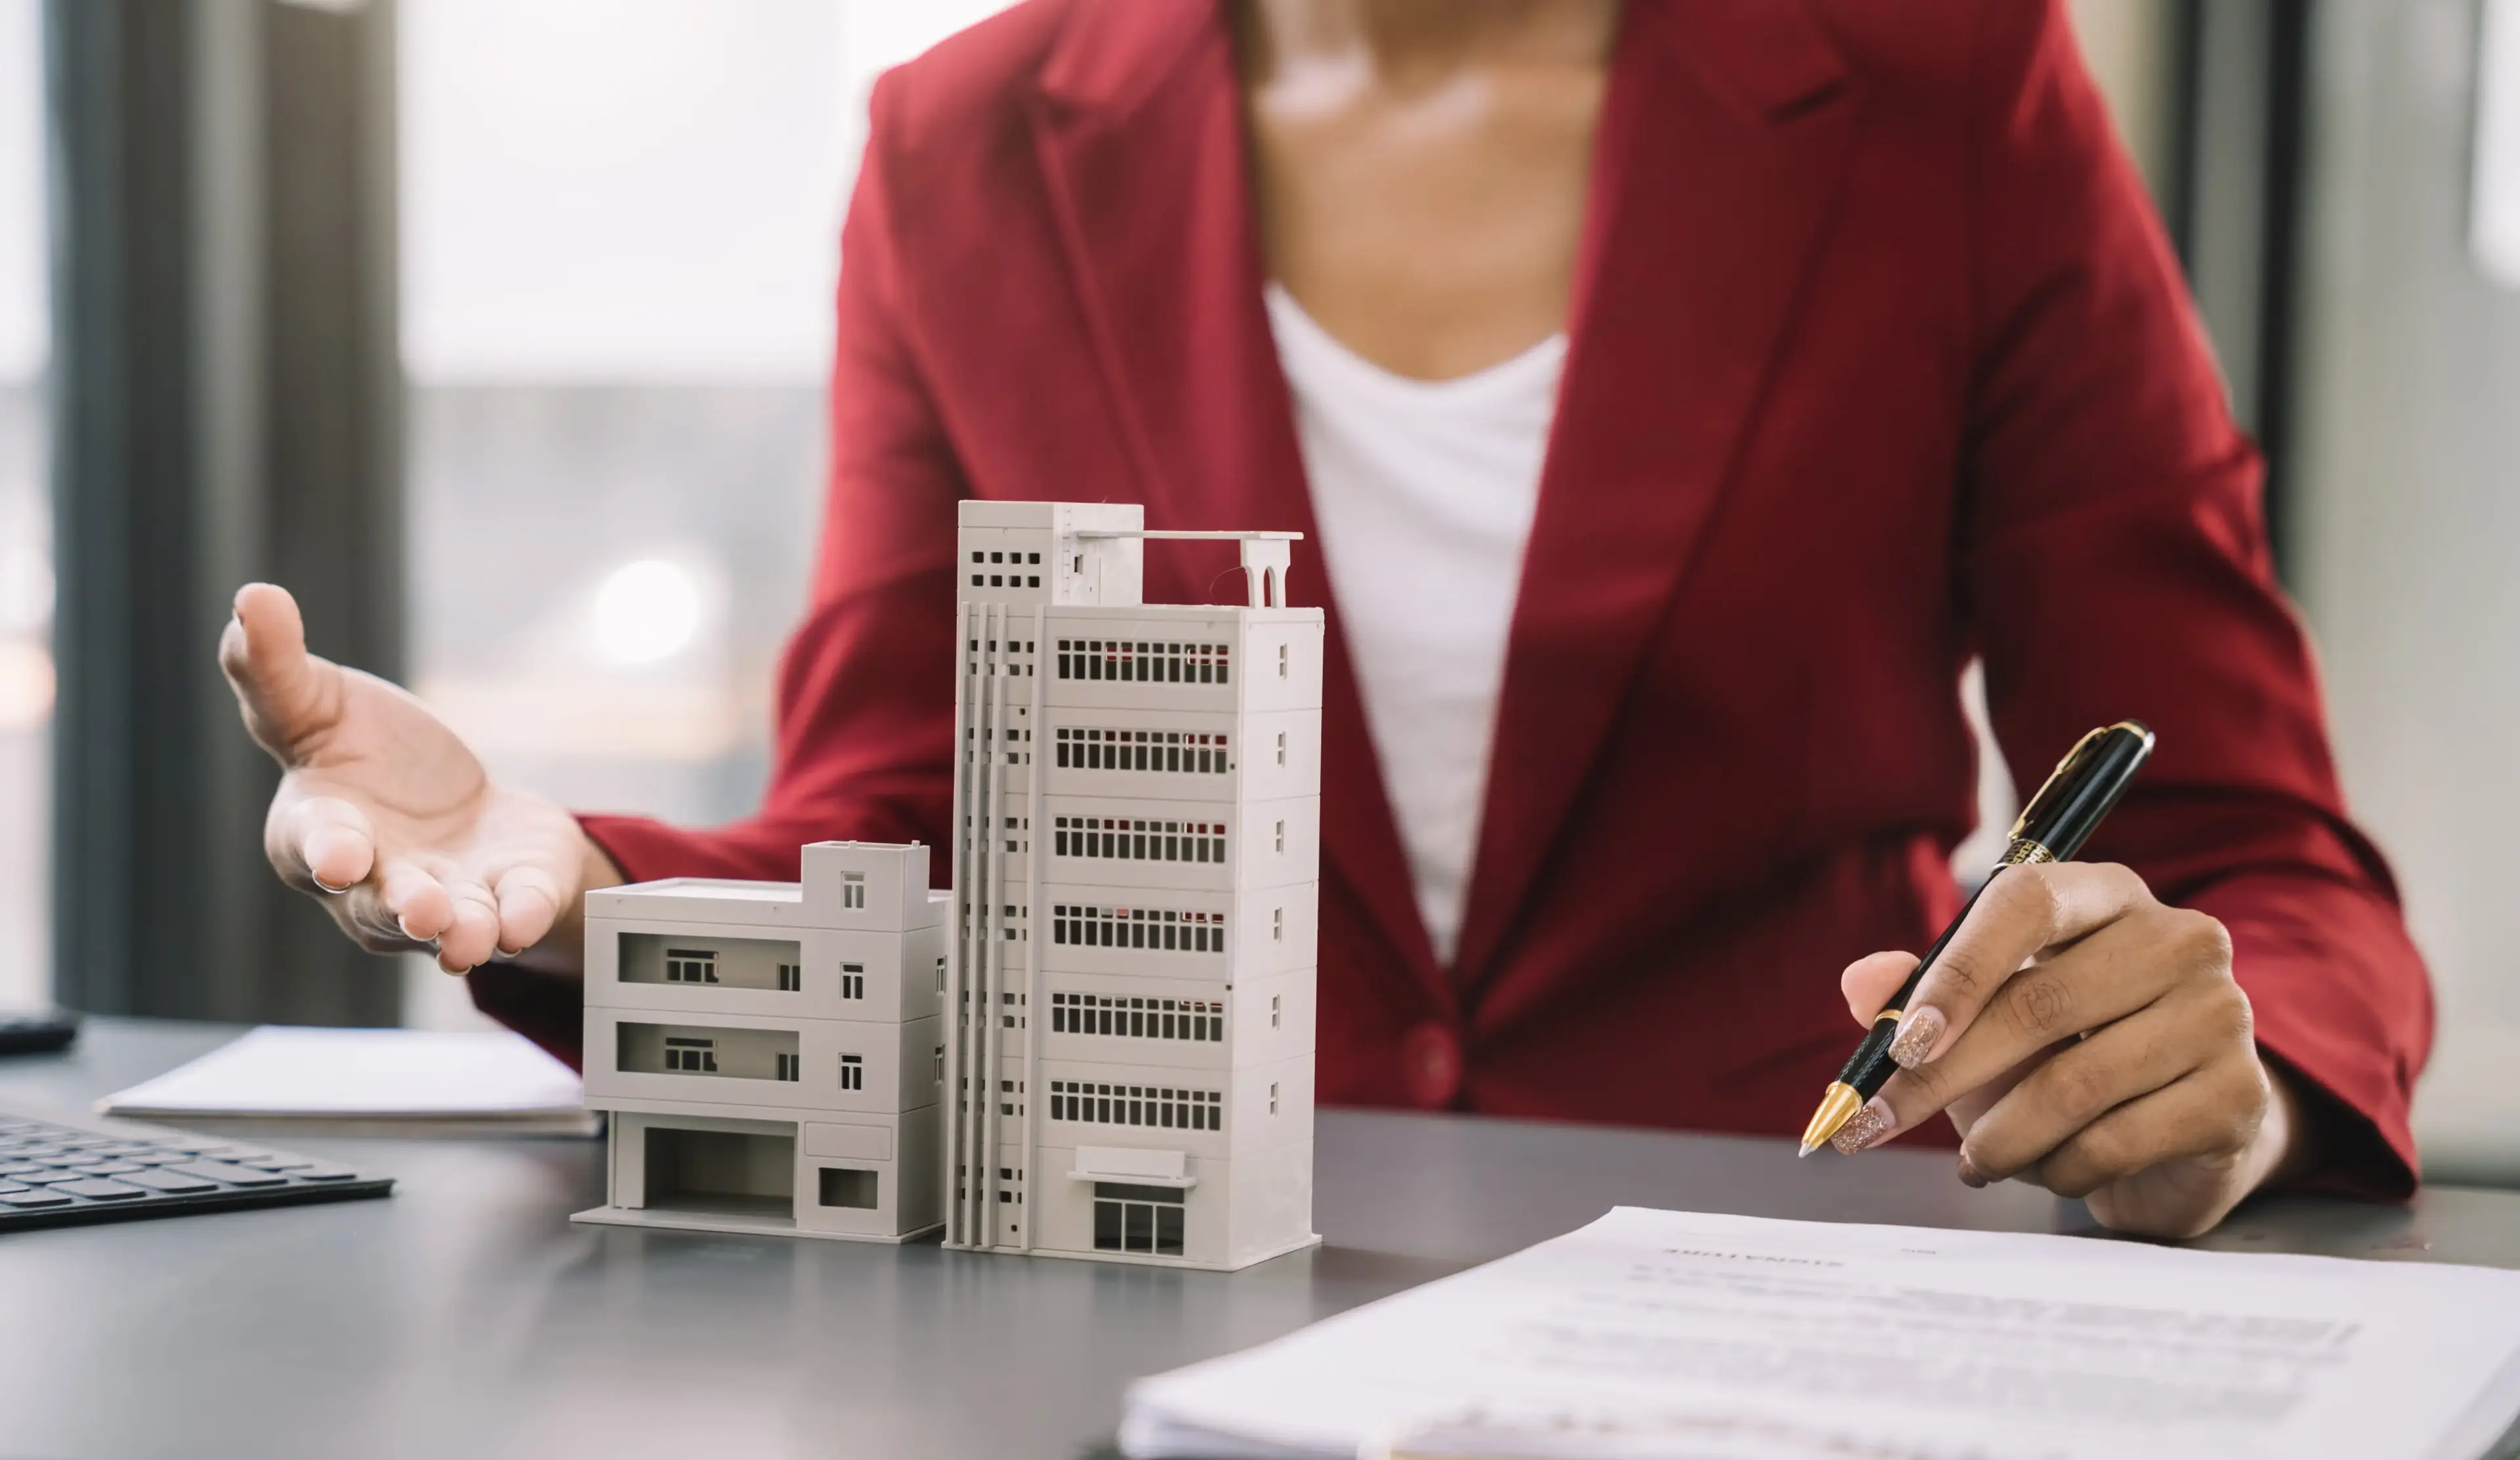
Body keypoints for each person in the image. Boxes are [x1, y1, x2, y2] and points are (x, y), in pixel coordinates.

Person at [218, 0, 2432, 1239]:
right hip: (1169, 1277)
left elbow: (2256, 846)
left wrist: (2226, 1092)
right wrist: (576, 893)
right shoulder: (963, 142)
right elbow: (903, 819)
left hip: (1796, 1266)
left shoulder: (1948, 94)